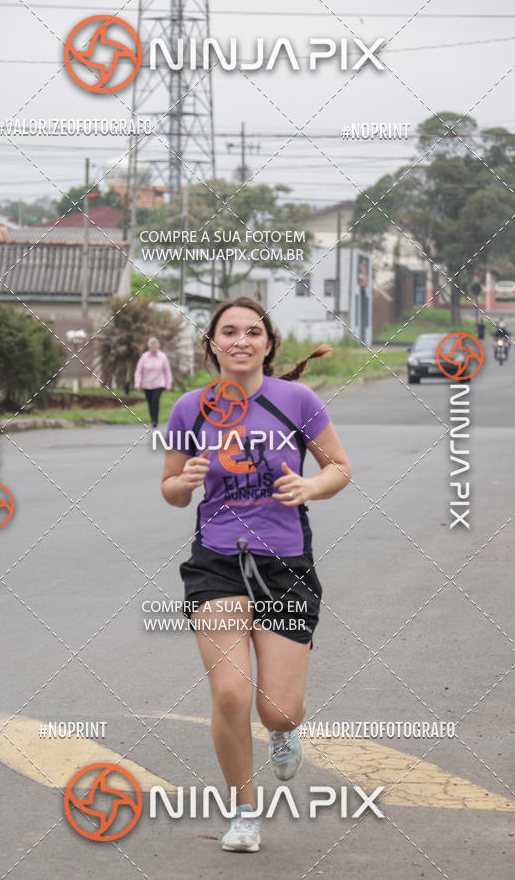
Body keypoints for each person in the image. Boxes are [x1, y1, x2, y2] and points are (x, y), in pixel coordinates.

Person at [161, 296, 351, 853]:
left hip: (285, 563)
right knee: (229, 693)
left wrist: (310, 486)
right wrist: (184, 482)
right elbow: (171, 488)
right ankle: (243, 812)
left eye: (252, 331)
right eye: (229, 331)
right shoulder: (190, 408)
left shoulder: (297, 400)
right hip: (217, 561)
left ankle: (283, 731)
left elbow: (339, 467)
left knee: (277, 707)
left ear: (268, 345)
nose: (240, 340)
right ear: (212, 344)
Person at [134, 337, 173, 427]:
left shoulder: (163, 357)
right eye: (152, 348)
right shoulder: (144, 357)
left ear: (158, 347)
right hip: (147, 384)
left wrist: (168, 384)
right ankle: (152, 419)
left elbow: (167, 371)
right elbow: (139, 371)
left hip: (159, 383)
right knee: (150, 402)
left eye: (155, 348)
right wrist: (137, 383)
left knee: (155, 401)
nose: (153, 350)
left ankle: (155, 420)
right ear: (149, 348)